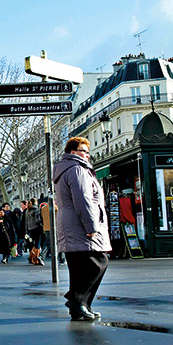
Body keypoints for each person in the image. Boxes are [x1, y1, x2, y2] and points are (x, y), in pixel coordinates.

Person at [52, 137, 111, 321]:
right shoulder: (77, 169)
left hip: (70, 225)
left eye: (87, 151)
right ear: (72, 153)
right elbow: (83, 200)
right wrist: (91, 226)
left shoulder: (66, 169)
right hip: (79, 225)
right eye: (83, 151)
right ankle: (76, 299)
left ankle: (81, 308)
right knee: (99, 262)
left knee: (78, 269)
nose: (87, 154)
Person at [26, 198, 44, 266]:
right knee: (37, 244)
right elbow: (37, 220)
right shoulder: (36, 209)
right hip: (36, 228)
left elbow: (26, 221)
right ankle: (35, 259)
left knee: (34, 243)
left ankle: (31, 256)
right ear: (35, 202)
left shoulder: (27, 210)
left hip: (30, 228)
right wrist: (42, 221)